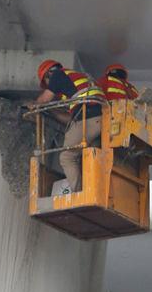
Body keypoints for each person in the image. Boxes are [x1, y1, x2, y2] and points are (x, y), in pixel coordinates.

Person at [27, 59, 106, 193]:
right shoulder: (77, 81)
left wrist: (33, 105)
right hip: (101, 121)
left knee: (67, 157)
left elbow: (44, 99)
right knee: (89, 156)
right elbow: (70, 120)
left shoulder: (57, 75)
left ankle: (79, 194)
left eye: (47, 83)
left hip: (87, 120)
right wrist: (52, 111)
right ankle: (95, 191)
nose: (49, 86)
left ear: (48, 74)